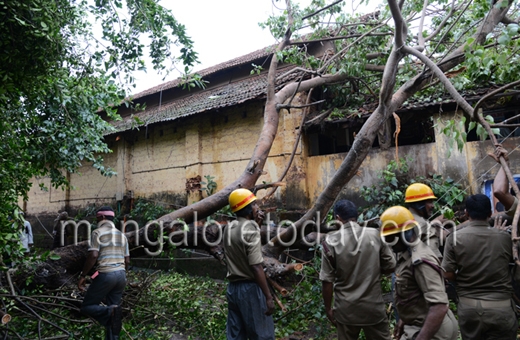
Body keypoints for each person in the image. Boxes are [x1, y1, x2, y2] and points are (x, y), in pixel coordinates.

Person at [442, 194, 517, 339]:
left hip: (469, 309)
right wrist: (498, 235)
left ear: (466, 213)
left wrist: (463, 279)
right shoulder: (505, 238)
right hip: (501, 309)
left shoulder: (454, 238)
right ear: (490, 213)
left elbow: (447, 273)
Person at [320, 200, 396, 340]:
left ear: (337, 218)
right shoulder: (375, 234)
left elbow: (327, 281)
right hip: (373, 308)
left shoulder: (330, 241)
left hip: (346, 310)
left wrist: (328, 309)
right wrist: (374, 270)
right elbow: (391, 265)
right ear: (357, 216)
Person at [380, 206, 457, 340]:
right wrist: (404, 320)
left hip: (432, 331)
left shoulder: (420, 261)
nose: (388, 243)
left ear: (404, 234)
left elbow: (439, 306)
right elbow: (415, 295)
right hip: (419, 324)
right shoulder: (407, 255)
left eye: (391, 237)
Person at [223, 188, 275, 340]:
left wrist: (256, 225)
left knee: (236, 336)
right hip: (250, 291)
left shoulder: (229, 227)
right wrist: (268, 296)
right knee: (261, 335)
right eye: (255, 205)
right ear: (249, 208)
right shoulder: (250, 229)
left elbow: (244, 243)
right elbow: (256, 266)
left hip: (233, 289)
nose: (257, 207)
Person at [78, 206, 129, 340]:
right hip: (121, 276)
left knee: (87, 307)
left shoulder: (97, 232)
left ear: (102, 217)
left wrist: (83, 275)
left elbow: (93, 255)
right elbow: (127, 259)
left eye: (97, 218)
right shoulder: (121, 235)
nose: (96, 220)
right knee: (114, 312)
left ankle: (109, 312)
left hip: (106, 274)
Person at [404, 183, 443, 259]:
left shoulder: (402, 219)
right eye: (429, 202)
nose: (433, 206)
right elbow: (435, 256)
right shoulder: (424, 225)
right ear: (419, 204)